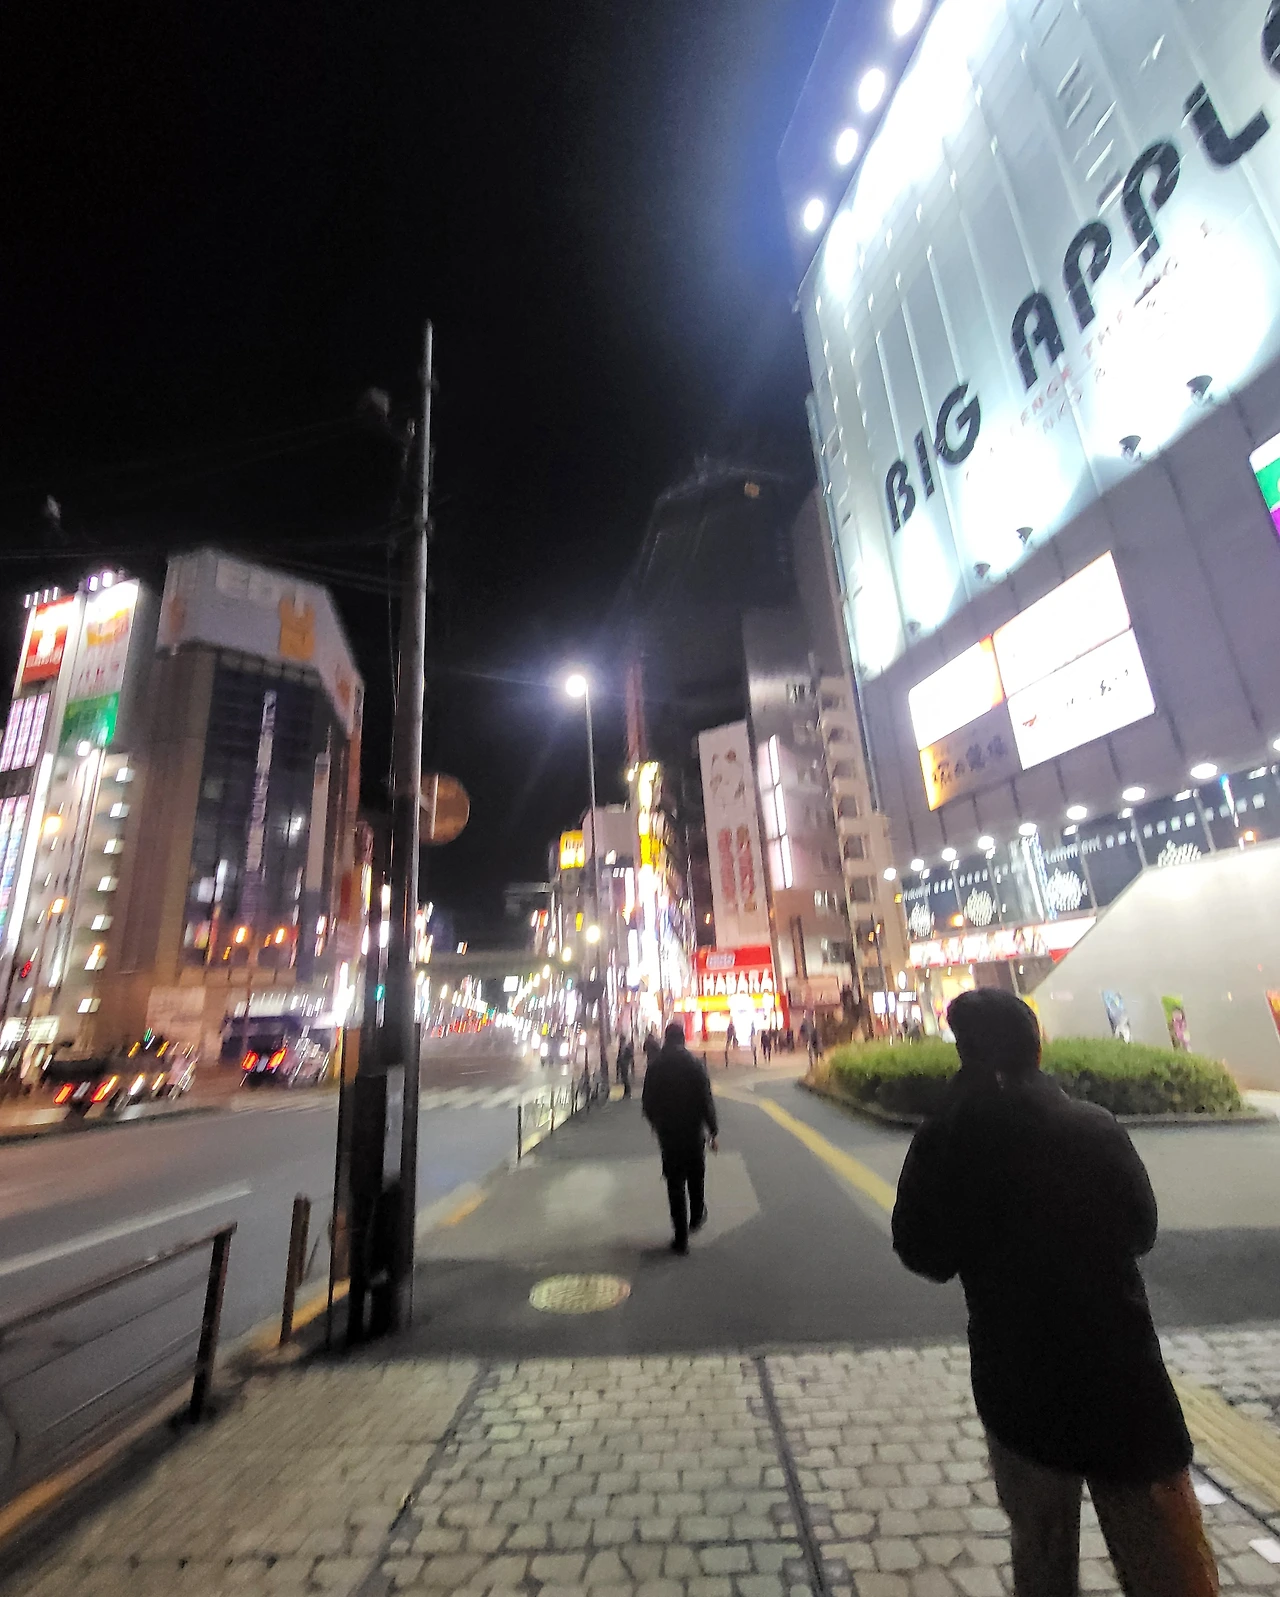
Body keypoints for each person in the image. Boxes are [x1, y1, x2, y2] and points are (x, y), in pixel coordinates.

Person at [891, 988, 1217, 1597]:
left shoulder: (950, 1143)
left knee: (1042, 1555)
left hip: (1018, 1381)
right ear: (1035, 1051)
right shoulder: (1093, 1126)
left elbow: (921, 1252)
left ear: (968, 1057)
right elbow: (1141, 1231)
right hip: (1124, 1376)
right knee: (1161, 1560)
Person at [641, 1021, 719, 1255]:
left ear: (666, 1039)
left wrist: (656, 1123)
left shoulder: (655, 1066)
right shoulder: (695, 1064)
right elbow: (706, 1099)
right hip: (693, 1132)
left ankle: (681, 1238)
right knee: (696, 1177)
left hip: (669, 1135)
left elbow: (647, 1102)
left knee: (675, 1184)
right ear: (683, 1038)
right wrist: (713, 1130)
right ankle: (696, 1215)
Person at [616, 1033, 635, 1099]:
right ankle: (626, 1092)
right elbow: (619, 1057)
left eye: (620, 1040)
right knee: (624, 1078)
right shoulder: (622, 1047)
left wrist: (627, 1062)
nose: (620, 1041)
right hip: (623, 1064)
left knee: (625, 1078)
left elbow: (629, 1056)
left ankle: (628, 1091)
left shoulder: (626, 1047)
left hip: (625, 1064)